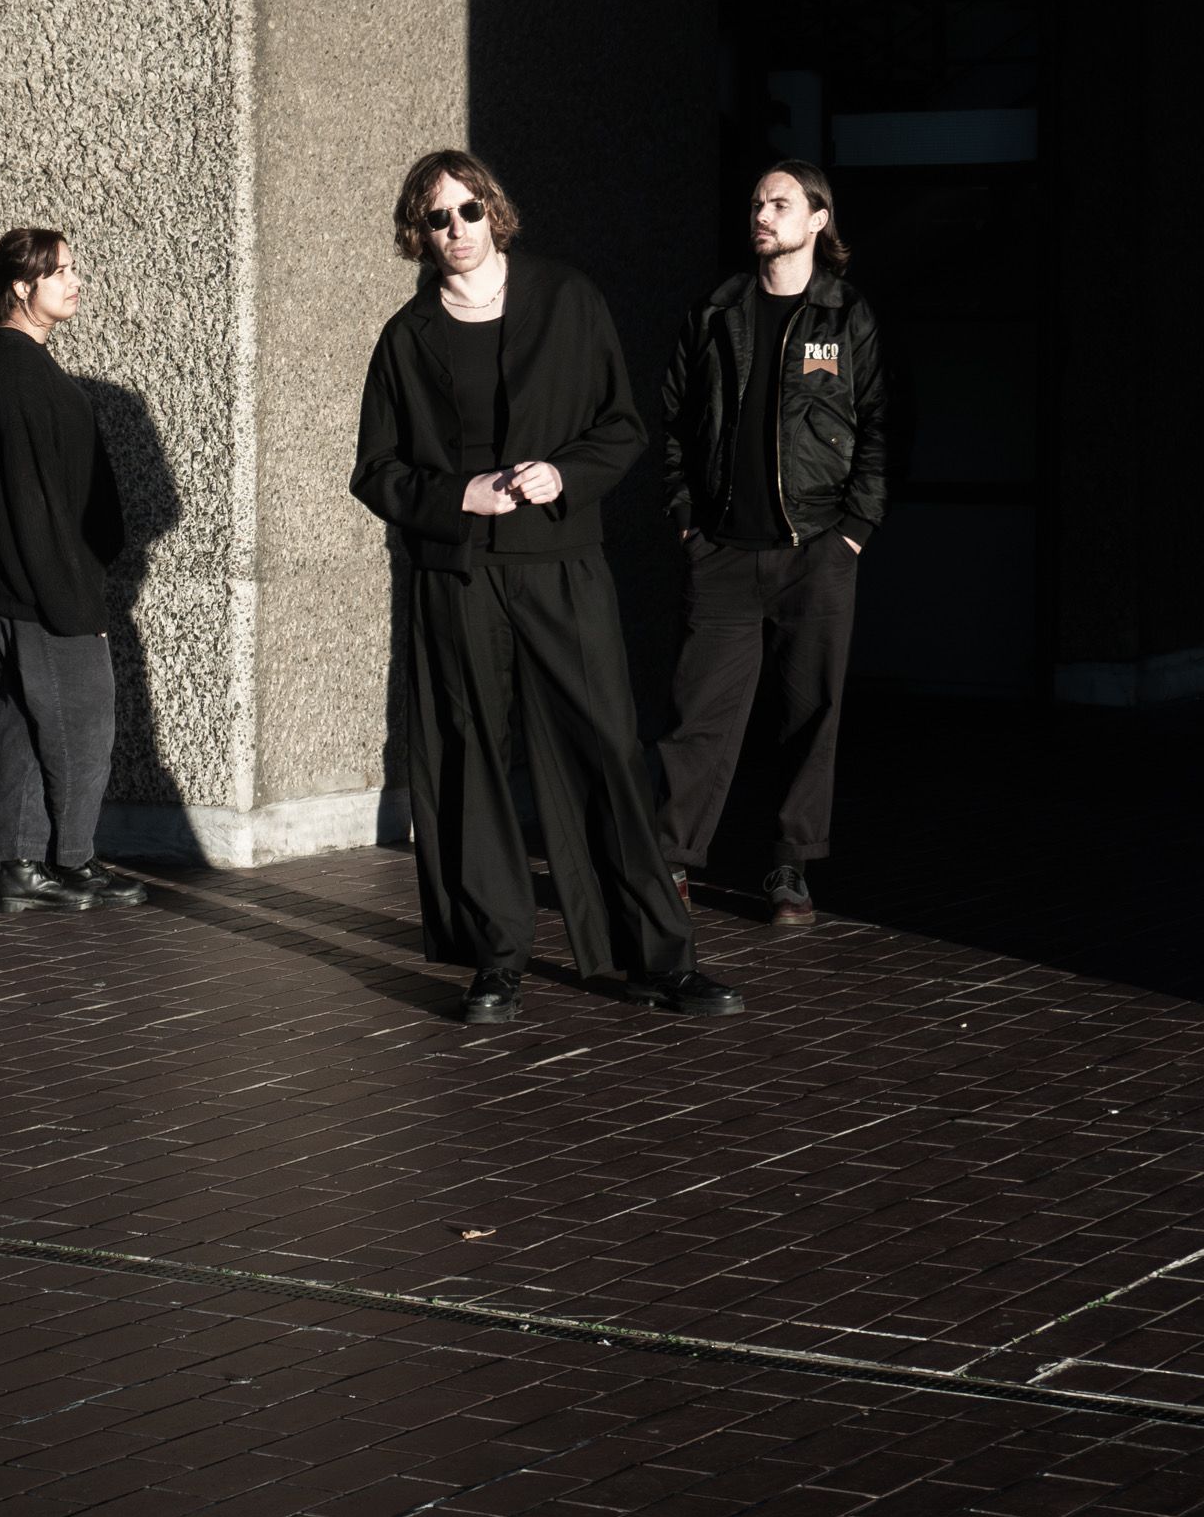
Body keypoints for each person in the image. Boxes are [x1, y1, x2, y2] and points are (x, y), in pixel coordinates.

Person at [352, 150, 742, 1023]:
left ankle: (658, 958)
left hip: (561, 565)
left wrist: (563, 475)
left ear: (496, 210)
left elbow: (621, 425)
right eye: (437, 220)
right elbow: (375, 471)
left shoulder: (567, 301)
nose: (455, 231)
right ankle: (497, 955)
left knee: (606, 748)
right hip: (458, 575)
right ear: (418, 234)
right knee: (471, 758)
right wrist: (459, 493)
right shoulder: (405, 339)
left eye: (468, 212)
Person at [657, 160, 889, 925]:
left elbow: (882, 429)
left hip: (816, 550)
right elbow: (672, 424)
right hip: (722, 548)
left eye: (780, 202)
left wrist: (854, 531)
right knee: (700, 717)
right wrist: (687, 518)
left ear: (818, 220)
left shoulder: (845, 316)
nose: (762, 212)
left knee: (809, 712)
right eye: (757, 201)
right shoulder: (717, 311)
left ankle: (789, 867)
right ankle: (672, 862)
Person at [0, 227, 146, 914]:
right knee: (82, 721)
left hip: (28, 586)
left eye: (73, 268)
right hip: (43, 591)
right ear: (20, 287)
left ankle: (17, 865)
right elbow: (29, 502)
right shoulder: (16, 370)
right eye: (60, 271)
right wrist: (74, 604)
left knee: (26, 721)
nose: (75, 281)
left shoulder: (18, 364)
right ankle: (72, 863)